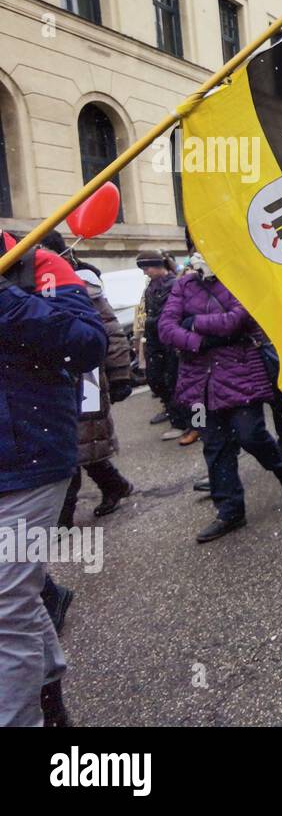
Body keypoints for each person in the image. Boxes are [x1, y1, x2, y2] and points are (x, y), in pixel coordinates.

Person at [0, 229, 107, 727]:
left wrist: (6, 301)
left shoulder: (39, 264)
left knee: (3, 607)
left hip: (31, 461)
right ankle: (50, 699)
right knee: (14, 598)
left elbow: (87, 346)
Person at [158, 253, 282, 542]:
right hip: (200, 380)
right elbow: (166, 328)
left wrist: (193, 322)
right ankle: (230, 510)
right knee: (215, 444)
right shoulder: (184, 284)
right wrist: (200, 341)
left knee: (251, 434)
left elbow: (237, 319)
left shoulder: (241, 278)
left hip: (240, 373)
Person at [36, 234, 136, 521]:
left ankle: (64, 515)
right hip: (55, 377)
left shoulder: (79, 281)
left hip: (87, 377)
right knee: (81, 445)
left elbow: (111, 331)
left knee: (81, 443)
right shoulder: (33, 280)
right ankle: (115, 485)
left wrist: (120, 376)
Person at [136, 248, 199, 444]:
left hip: (173, 342)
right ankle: (180, 419)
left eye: (147, 268)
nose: (145, 273)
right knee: (157, 380)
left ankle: (193, 424)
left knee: (180, 383)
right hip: (156, 341)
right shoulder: (150, 288)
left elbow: (175, 315)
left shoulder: (175, 285)